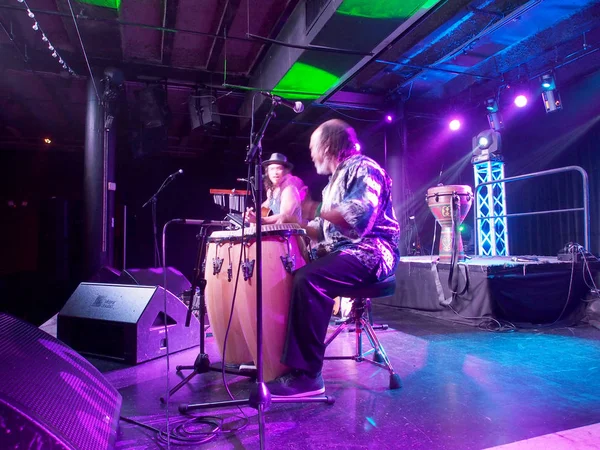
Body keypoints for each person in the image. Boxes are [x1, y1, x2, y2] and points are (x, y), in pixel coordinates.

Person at [266, 119, 400, 397]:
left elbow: (357, 218)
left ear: (327, 146)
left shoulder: (363, 167)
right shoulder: (332, 184)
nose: (312, 154)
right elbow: (324, 231)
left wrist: (314, 210)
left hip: (373, 252)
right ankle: (279, 359)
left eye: (314, 146)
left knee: (309, 279)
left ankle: (308, 376)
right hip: (348, 252)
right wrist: (295, 225)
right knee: (296, 275)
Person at [246, 153, 306, 225]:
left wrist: (259, 220)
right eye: (272, 169)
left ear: (285, 171)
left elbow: (283, 218)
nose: (275, 173)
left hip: (289, 235)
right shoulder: (271, 191)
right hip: (277, 234)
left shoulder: (289, 190)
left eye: (279, 168)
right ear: (267, 172)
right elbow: (263, 209)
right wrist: (251, 215)